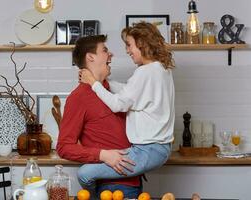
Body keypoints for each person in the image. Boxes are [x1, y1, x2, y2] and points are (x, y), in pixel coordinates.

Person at [78, 21, 175, 193]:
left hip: (148, 150)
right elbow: (129, 93)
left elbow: (118, 104)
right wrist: (101, 82)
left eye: (129, 45)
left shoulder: (145, 72)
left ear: (142, 44)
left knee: (85, 174)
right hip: (158, 149)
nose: (127, 50)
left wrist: (93, 82)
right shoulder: (160, 69)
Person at [56, 35, 142, 199]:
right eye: (104, 50)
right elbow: (64, 146)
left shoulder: (112, 90)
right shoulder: (79, 98)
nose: (111, 55)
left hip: (134, 178)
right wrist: (103, 155)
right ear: (90, 57)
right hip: (111, 186)